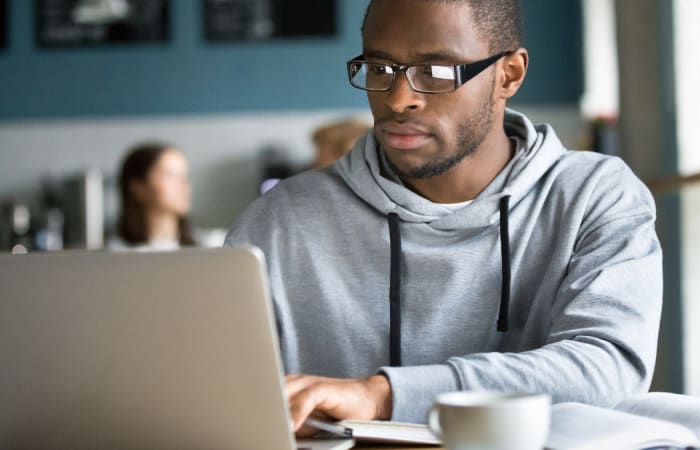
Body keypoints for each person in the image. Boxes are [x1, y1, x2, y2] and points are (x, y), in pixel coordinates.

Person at [226, 0, 662, 434]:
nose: (399, 100)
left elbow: (608, 369)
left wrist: (383, 396)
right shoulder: (278, 222)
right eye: (379, 69)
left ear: (508, 74)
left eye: (435, 72)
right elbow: (218, 392)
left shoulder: (595, 197)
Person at [110, 142, 195, 251]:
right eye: (170, 175)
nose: (184, 184)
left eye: (185, 175)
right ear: (138, 187)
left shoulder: (210, 244)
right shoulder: (114, 252)